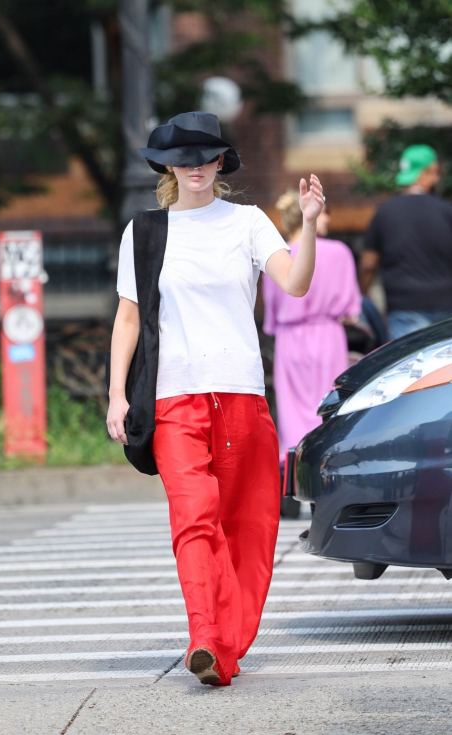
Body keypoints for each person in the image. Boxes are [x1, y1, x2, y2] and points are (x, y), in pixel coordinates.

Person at [107, 111, 325, 687]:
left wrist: (307, 224)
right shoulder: (146, 231)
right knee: (193, 518)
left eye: (206, 155)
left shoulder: (248, 223)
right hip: (175, 399)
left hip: (242, 396)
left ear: (221, 161)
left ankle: (223, 650)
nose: (196, 165)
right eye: (184, 158)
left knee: (246, 527)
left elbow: (296, 283)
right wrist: (115, 396)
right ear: (167, 167)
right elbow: (128, 318)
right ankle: (204, 637)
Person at [263, 192, 361, 461]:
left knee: (292, 412)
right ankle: (329, 466)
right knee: (330, 409)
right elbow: (351, 310)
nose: (327, 216)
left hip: (289, 338)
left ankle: (294, 470)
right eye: (325, 211)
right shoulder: (339, 252)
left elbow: (269, 312)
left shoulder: (276, 256)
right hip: (328, 335)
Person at [360, 144, 452, 340]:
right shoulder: (447, 211)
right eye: (435, 173)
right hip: (447, 308)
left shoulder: (385, 213)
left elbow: (368, 264)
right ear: (427, 173)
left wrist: (362, 295)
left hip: (404, 309)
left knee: (411, 370)